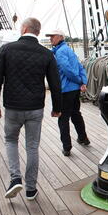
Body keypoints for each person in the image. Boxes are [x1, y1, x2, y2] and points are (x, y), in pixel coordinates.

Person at [0, 18, 63, 201]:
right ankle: (31, 189)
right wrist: (57, 107)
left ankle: (15, 178)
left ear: (23, 29)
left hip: (13, 106)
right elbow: (55, 83)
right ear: (37, 32)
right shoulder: (46, 54)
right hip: (35, 108)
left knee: (11, 140)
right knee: (32, 147)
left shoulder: (7, 49)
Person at [45, 29, 90, 157]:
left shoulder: (60, 52)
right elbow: (80, 67)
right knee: (76, 114)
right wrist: (83, 82)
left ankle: (67, 147)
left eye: (52, 36)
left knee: (63, 118)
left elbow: (67, 70)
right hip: (75, 90)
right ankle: (83, 138)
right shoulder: (69, 50)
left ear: (60, 37)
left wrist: (79, 80)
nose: (50, 39)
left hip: (65, 90)